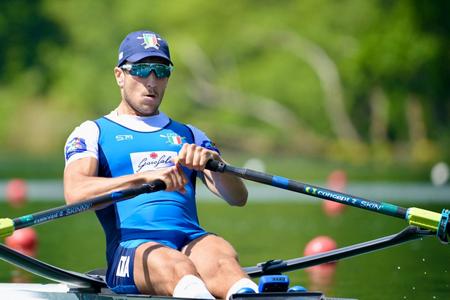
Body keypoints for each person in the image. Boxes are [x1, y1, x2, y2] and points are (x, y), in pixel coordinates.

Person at [63, 30, 258, 299]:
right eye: (141, 70)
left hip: (192, 241)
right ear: (120, 75)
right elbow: (75, 193)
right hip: (132, 250)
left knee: (221, 256)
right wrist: (145, 178)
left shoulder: (190, 135)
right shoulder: (91, 132)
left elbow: (238, 197)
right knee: (175, 266)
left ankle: (249, 293)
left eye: (160, 70)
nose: (151, 81)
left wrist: (214, 163)